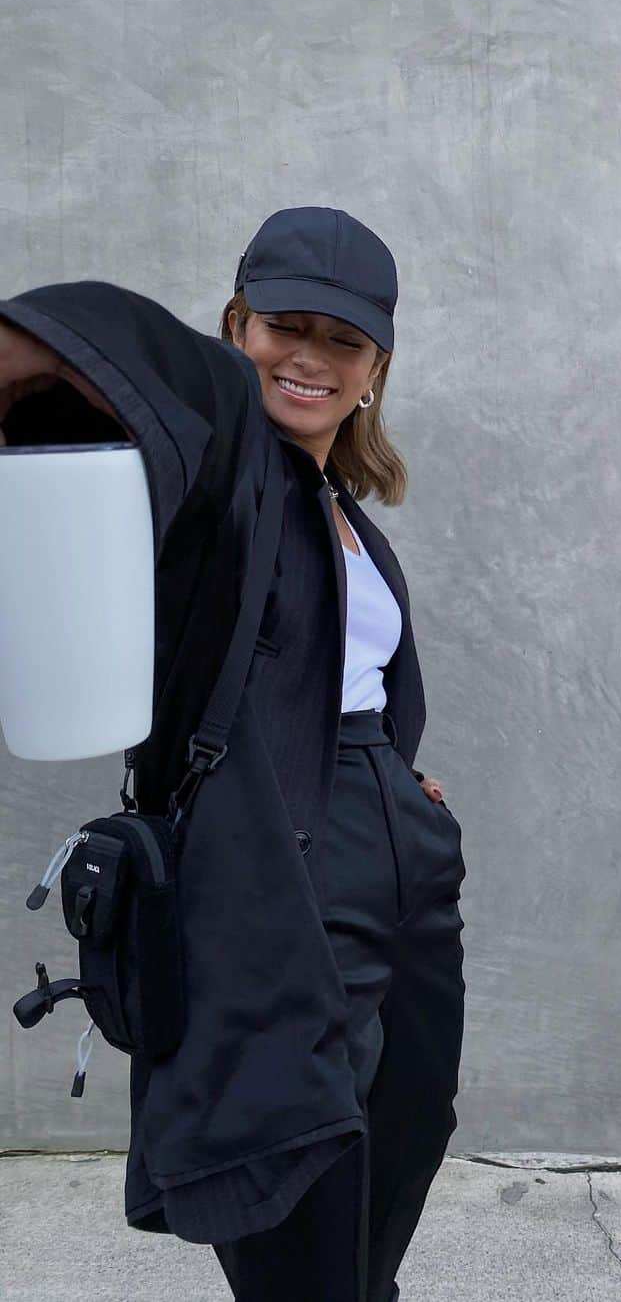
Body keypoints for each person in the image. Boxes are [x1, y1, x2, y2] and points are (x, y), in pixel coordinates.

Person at [0, 206, 467, 1301]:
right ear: (237, 325)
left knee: (406, 1132)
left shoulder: (344, 510)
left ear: (374, 371)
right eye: (281, 325)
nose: (308, 356)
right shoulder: (221, 476)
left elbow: (337, 677)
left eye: (341, 340)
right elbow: (144, 365)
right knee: (293, 1165)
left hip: (397, 871)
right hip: (271, 876)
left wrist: (398, 783)